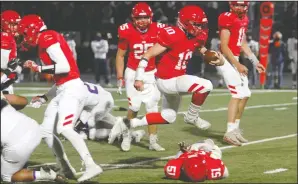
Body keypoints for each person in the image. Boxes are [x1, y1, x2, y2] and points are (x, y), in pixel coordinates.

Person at [108, 5, 224, 143]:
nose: (199, 28)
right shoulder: (172, 34)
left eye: (201, 25)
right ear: (185, 22)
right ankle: (192, 116)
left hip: (175, 80)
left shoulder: (197, 35)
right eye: (196, 25)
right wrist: (138, 77)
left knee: (169, 117)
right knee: (206, 85)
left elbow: (198, 46)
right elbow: (148, 54)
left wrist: (215, 57)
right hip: (167, 80)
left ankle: (130, 123)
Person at [19, 14, 102, 182]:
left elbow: (64, 67)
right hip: (64, 89)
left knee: (64, 129)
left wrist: (39, 68)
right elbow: (61, 80)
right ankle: (66, 167)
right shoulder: (45, 38)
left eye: (24, 34)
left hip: (72, 90)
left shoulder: (47, 37)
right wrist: (45, 97)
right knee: (45, 131)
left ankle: (91, 165)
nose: (24, 38)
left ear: (31, 30)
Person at [115, 2, 165, 151]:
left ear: (151, 18)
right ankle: (127, 136)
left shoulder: (159, 29)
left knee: (152, 108)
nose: (142, 21)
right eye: (138, 18)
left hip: (151, 72)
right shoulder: (126, 30)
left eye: (145, 18)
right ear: (133, 18)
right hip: (133, 71)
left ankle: (153, 141)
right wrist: (119, 76)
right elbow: (120, 55)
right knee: (134, 106)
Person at [217, 1, 265, 146]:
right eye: (237, 5)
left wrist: (255, 61)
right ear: (231, 5)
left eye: (242, 5)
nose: (240, 8)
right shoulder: (226, 17)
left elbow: (243, 43)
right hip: (225, 59)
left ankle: (235, 129)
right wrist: (237, 64)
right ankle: (229, 132)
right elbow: (224, 46)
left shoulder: (244, 19)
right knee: (237, 94)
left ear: (247, 6)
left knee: (246, 94)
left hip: (235, 58)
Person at [1, 92, 64, 183]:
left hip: (17, 143)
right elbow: (23, 101)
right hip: (32, 126)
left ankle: (46, 175)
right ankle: (21, 165)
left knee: (7, 177)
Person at [164, 139, 228, 182]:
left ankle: (198, 144)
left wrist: (183, 152)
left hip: (200, 154)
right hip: (205, 155)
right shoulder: (214, 168)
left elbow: (172, 164)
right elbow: (225, 173)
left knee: (208, 144)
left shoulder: (174, 168)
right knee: (211, 146)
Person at [1, 10, 22, 94]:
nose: (16, 28)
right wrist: (18, 68)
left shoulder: (9, 37)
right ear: (5, 24)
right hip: (3, 79)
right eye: (13, 25)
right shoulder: (5, 37)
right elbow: (4, 64)